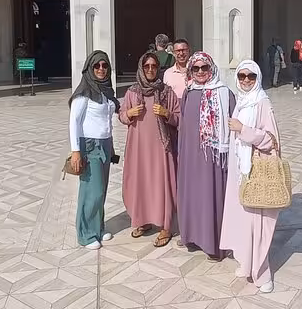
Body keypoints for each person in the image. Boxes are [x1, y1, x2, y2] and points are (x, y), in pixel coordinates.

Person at [220, 60, 281, 293]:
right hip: (240, 169)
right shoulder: (242, 101)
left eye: (251, 77)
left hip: (256, 169)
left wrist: (242, 130)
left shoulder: (262, 102)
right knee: (243, 218)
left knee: (258, 221)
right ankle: (246, 262)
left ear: (258, 78)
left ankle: (262, 272)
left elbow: (271, 139)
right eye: (242, 76)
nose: (246, 80)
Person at [177, 52, 236, 261]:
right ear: (190, 71)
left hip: (214, 159)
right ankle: (191, 236)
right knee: (192, 194)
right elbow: (183, 125)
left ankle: (214, 243)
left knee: (211, 196)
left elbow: (233, 126)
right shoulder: (188, 92)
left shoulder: (224, 93)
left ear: (211, 68)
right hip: (191, 156)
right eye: (196, 68)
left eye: (204, 68)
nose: (200, 72)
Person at [120, 52, 180, 247]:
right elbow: (121, 116)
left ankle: (165, 227)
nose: (151, 70)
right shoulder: (132, 92)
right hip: (138, 147)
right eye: (147, 66)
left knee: (161, 183)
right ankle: (143, 220)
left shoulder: (166, 92)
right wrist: (129, 113)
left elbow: (179, 118)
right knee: (141, 182)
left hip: (160, 147)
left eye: (154, 66)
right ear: (141, 68)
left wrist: (166, 113)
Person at [68, 50, 120, 250]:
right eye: (96, 66)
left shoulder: (106, 92)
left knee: (102, 190)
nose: (101, 69)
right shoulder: (84, 93)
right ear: (89, 68)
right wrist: (76, 151)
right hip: (89, 146)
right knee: (92, 190)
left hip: (105, 144)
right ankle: (86, 234)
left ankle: (97, 227)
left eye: (104, 65)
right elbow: (74, 123)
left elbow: (107, 121)